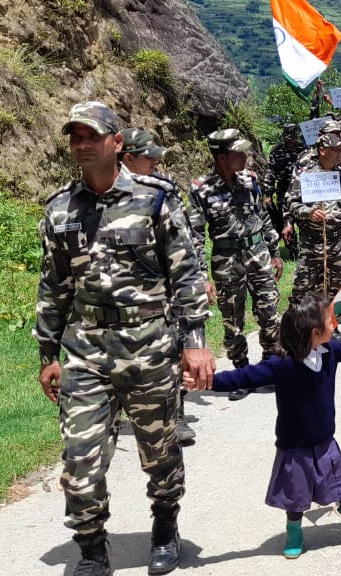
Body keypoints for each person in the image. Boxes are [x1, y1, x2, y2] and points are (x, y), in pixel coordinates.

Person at [35, 101, 215, 576]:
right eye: (75, 136)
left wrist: (195, 341)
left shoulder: (156, 199)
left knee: (159, 451)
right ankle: (92, 548)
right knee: (79, 458)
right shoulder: (60, 209)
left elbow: (187, 274)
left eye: (91, 135)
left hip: (150, 345)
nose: (82, 143)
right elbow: (53, 286)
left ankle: (164, 526)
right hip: (85, 349)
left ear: (117, 142)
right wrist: (47, 353)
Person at [195, 293, 341, 559]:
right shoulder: (282, 365)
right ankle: (294, 531)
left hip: (324, 440)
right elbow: (243, 377)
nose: (335, 324)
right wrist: (209, 382)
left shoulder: (329, 352)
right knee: (296, 496)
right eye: (331, 322)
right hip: (295, 445)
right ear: (316, 333)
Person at [119, 128, 204, 444]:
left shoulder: (163, 192)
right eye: (148, 156)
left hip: (161, 292)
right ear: (127, 158)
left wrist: (196, 280)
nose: (155, 161)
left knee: (171, 349)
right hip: (119, 294)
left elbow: (185, 243)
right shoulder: (99, 198)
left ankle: (176, 415)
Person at [188, 130, 284, 400]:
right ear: (221, 157)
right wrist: (201, 276)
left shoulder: (250, 180)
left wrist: (274, 251)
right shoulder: (201, 190)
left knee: (269, 312)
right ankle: (241, 373)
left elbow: (263, 217)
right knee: (233, 320)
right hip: (227, 260)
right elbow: (195, 236)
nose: (245, 156)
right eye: (238, 152)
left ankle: (268, 366)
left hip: (258, 254)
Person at [284, 131, 341, 319]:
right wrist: (308, 212)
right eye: (335, 149)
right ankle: (300, 324)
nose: (340, 153)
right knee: (304, 287)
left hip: (339, 240)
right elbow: (290, 201)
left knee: (338, 286)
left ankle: (331, 326)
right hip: (312, 241)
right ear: (322, 150)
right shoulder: (305, 176)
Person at [270, 124, 306, 262]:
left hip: (302, 193)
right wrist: (268, 193)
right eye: (287, 138)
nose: (290, 141)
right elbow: (270, 173)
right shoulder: (276, 151)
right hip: (283, 193)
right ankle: (293, 251)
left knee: (303, 221)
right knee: (287, 222)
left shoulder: (304, 150)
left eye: (292, 138)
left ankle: (305, 249)